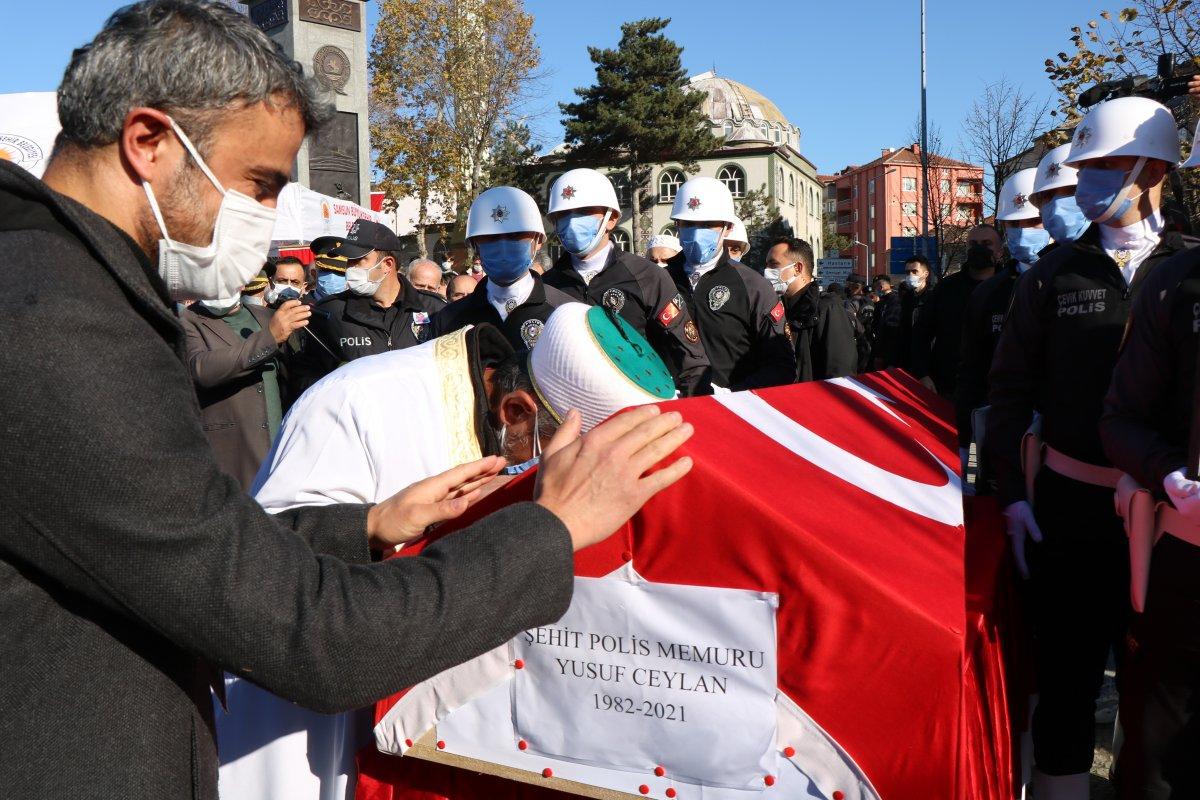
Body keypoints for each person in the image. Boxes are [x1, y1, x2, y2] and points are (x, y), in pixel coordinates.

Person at [0, 4, 694, 798]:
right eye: (258, 183)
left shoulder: (59, 292)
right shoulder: (57, 323)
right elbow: (310, 638)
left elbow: (168, 547)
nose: (264, 220)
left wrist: (361, 526)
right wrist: (553, 529)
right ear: (149, 142)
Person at [221, 303, 679, 800]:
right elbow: (258, 574)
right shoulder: (356, 404)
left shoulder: (505, 421)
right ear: (517, 411)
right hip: (315, 739)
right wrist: (376, 530)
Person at [986, 96, 1186, 799]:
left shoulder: (1189, 271)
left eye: (1103, 167)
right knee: (1068, 685)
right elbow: (1008, 393)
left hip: (1172, 524)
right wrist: (1012, 497)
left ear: (1154, 167)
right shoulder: (1053, 275)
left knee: (1161, 697)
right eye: (1085, 169)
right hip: (1069, 512)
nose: (1087, 182)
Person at [1098, 121, 1200, 800]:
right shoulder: (1174, 288)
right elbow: (1121, 417)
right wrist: (1170, 473)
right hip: (1186, 563)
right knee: (1159, 752)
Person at [541, 168, 710, 396]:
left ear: (611, 219)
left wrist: (692, 412)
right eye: (563, 215)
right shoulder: (546, 286)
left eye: (583, 212)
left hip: (638, 408)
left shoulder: (647, 277)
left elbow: (690, 359)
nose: (571, 222)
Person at [955, 168, 1051, 483]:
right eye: (1014, 224)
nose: (1023, 232)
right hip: (1001, 439)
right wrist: (968, 455)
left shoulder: (1075, 280)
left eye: (1032, 222)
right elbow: (970, 374)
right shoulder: (988, 294)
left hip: (1064, 443)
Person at [664, 177, 795, 391]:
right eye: (688, 224)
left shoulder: (753, 287)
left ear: (727, 228)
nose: (696, 233)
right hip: (671, 412)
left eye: (707, 225)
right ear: (677, 224)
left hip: (733, 412)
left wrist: (735, 396)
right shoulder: (659, 281)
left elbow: (782, 365)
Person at [290, 220, 446, 393]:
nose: (350, 268)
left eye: (359, 260)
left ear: (387, 264)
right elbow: (305, 377)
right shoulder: (330, 312)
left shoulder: (434, 309)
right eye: (349, 261)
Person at [182, 285, 310, 490]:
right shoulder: (187, 321)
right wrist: (270, 338)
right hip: (232, 456)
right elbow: (202, 370)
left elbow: (293, 378)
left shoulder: (267, 316)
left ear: (241, 281)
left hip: (280, 453)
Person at [429, 186, 572, 351]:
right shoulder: (448, 319)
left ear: (538, 241)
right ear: (475, 245)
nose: (503, 245)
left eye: (515, 235)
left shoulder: (566, 312)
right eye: (491, 237)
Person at [911, 226, 1000, 397]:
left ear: (999, 251)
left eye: (986, 244)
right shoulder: (946, 288)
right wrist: (923, 374)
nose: (979, 248)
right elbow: (921, 333)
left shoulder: (1012, 287)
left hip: (999, 389)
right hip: (950, 387)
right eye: (973, 244)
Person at [766, 236, 856, 382]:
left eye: (774, 265)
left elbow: (839, 371)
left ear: (797, 268)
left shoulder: (827, 308)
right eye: (766, 265)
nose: (767, 271)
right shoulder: (775, 309)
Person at [895, 254, 936, 372]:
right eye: (907, 272)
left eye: (914, 271)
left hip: (929, 361)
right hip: (908, 358)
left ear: (925, 274)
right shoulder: (907, 298)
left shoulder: (934, 297)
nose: (910, 275)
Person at [871, 275, 902, 369]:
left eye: (875, 287)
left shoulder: (894, 301)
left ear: (881, 287)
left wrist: (882, 354)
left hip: (889, 350)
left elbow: (890, 329)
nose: (875, 290)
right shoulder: (882, 301)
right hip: (881, 347)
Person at [844, 278, 874, 373]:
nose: (849, 288)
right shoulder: (869, 301)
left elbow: (850, 321)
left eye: (851, 286)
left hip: (858, 338)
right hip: (868, 338)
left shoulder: (853, 302)